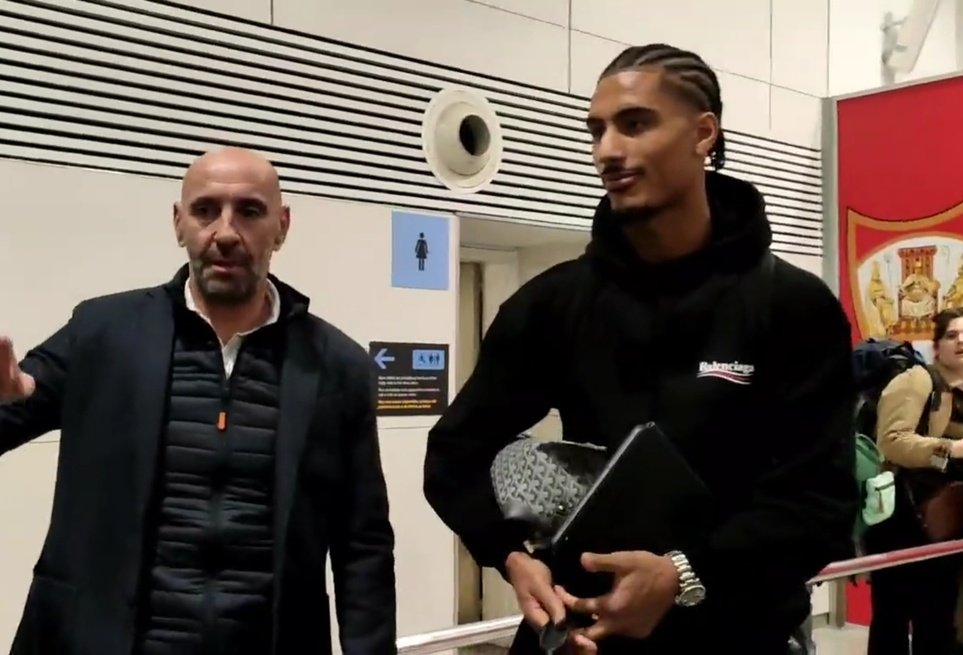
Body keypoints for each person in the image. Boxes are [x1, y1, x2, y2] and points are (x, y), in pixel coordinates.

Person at [424, 44, 857, 654]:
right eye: (596, 130)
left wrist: (683, 572)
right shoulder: (555, 304)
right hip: (585, 635)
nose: (607, 150)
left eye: (634, 124)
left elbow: (822, 506)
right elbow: (453, 454)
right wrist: (510, 558)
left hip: (741, 634)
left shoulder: (792, 307)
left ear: (704, 133)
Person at [0, 147, 396, 655]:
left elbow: (362, 543)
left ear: (282, 225)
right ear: (178, 222)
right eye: (205, 210)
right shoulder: (103, 332)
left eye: (249, 211)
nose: (225, 233)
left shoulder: (336, 365)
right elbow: (16, 404)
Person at [867, 308, 963, 655]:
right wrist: (955, 449)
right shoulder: (916, 380)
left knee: (940, 621)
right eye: (951, 335)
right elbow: (892, 441)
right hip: (902, 518)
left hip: (949, 525)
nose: (961, 341)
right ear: (937, 347)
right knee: (892, 621)